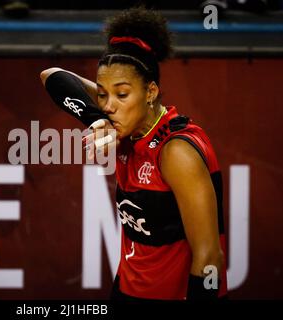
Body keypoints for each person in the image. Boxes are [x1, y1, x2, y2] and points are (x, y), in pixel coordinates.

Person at [40, 6, 228, 300]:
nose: (109, 105)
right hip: (128, 290)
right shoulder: (121, 127)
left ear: (150, 92)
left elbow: (209, 257)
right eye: (102, 94)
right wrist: (96, 119)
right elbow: (52, 76)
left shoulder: (175, 150)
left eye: (122, 94)